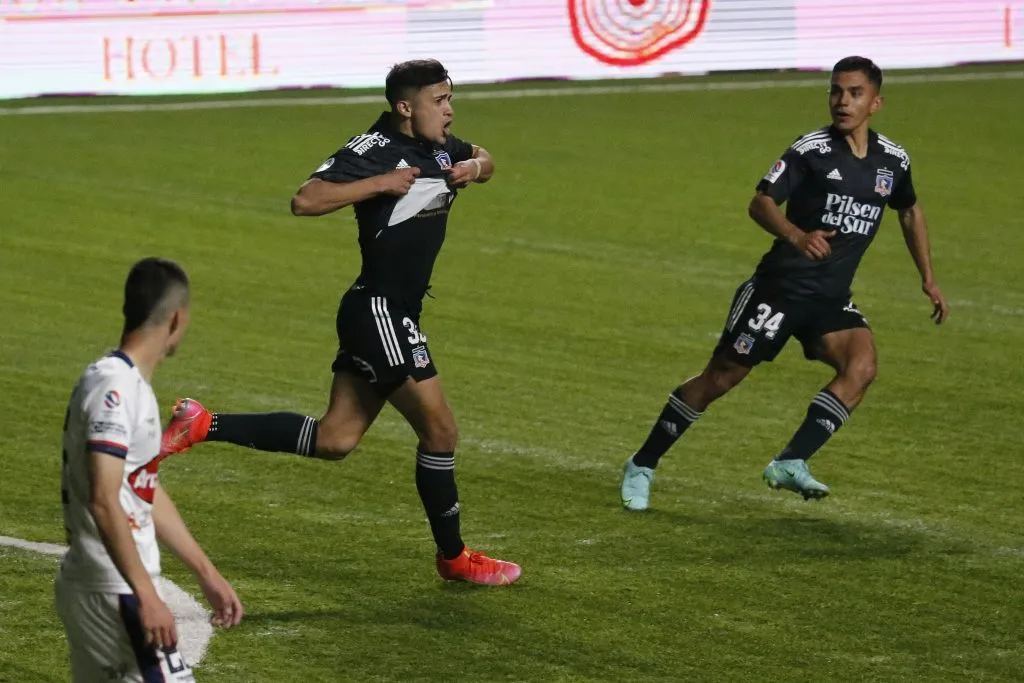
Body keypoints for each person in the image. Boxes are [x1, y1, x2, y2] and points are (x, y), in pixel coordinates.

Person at [160, 59, 520, 586]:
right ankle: (454, 559)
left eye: (450, 99)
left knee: (335, 439)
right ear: (404, 107)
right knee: (440, 432)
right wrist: (380, 184)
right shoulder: (371, 150)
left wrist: (476, 169)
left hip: (386, 313)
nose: (449, 110)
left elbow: (486, 157)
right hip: (379, 310)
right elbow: (305, 200)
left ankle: (202, 423)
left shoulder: (441, 148)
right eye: (439, 100)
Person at [620, 56, 950, 510]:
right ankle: (643, 462)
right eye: (835, 90)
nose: (841, 101)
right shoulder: (811, 149)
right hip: (778, 291)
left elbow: (909, 210)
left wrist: (928, 279)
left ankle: (791, 461)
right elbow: (760, 202)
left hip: (829, 299)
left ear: (876, 102)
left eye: (854, 93)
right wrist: (796, 235)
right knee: (720, 378)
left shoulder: (892, 160)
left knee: (862, 366)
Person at [56, 257, 244, 682]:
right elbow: (104, 499)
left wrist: (206, 573)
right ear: (176, 319)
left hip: (101, 584)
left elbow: (141, 487)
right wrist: (146, 594)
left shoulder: (123, 384)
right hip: (115, 590)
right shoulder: (115, 389)